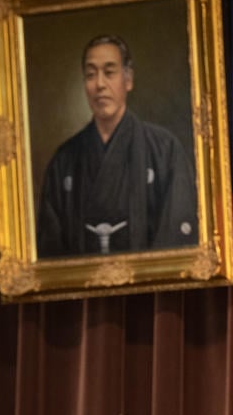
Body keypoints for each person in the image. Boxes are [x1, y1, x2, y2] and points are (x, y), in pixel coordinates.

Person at [36, 34, 198, 258]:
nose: (100, 84)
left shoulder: (164, 150)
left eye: (109, 72)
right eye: (91, 75)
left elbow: (177, 237)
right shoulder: (64, 161)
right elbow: (50, 249)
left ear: (128, 80)